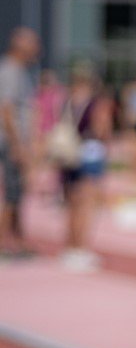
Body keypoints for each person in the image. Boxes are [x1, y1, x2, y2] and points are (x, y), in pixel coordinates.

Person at [52, 62, 115, 272]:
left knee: (71, 205)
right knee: (86, 205)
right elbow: (101, 129)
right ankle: (81, 249)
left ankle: (70, 248)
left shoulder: (67, 101)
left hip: (69, 155)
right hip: (89, 154)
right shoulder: (96, 103)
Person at [0, 26, 41, 258]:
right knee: (12, 193)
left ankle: (17, 240)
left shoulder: (20, 71)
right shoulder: (10, 71)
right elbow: (5, 110)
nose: (37, 49)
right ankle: (3, 242)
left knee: (17, 192)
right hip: (11, 143)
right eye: (33, 44)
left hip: (14, 142)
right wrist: (18, 145)